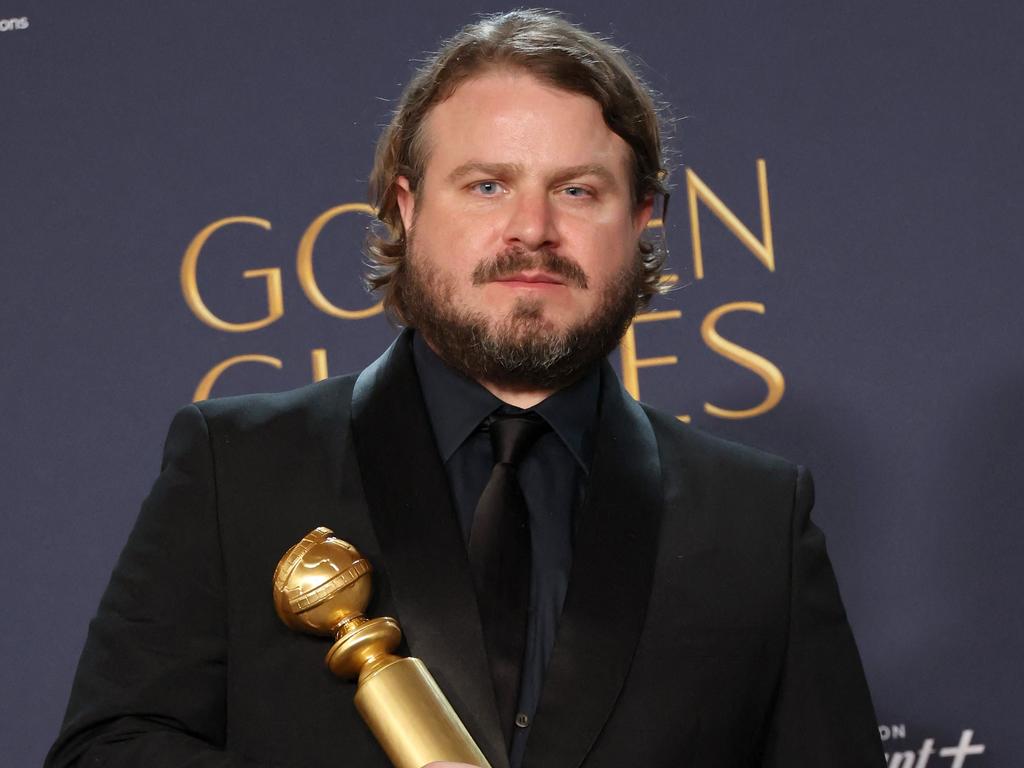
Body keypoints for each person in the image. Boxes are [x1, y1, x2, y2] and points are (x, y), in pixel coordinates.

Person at [47, 10, 884, 768]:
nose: (532, 229)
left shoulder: (756, 519)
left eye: (577, 190)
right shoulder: (237, 467)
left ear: (644, 222)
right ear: (406, 210)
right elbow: (106, 752)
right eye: (487, 185)